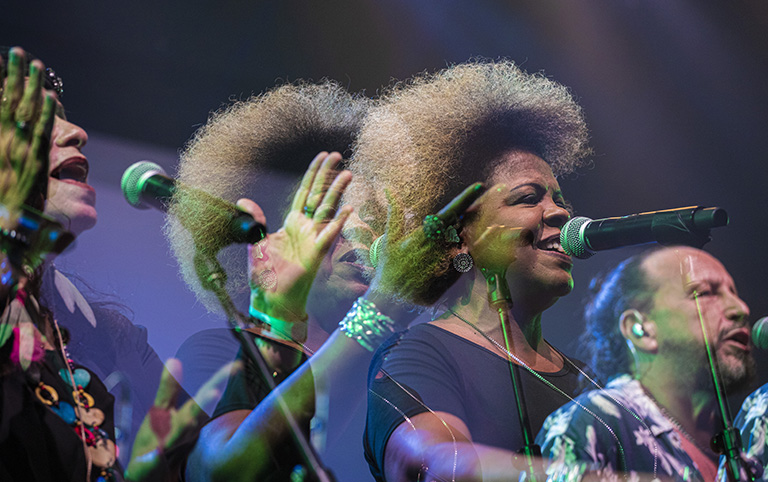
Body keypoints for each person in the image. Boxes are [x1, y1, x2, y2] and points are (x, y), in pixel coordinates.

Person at [352, 59, 593, 481]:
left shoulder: (586, 378)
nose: (559, 212)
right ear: (460, 236)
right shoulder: (418, 356)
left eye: (558, 197)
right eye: (527, 198)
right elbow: (444, 467)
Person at [0, 46, 215, 482]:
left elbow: (216, 468)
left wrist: (279, 322)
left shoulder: (106, 335)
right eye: (34, 122)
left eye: (63, 115)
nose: (76, 132)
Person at [166, 81, 391, 481]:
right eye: (330, 214)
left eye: (371, 216)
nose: (357, 230)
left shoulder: (398, 365)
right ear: (271, 240)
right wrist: (379, 317)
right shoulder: (214, 353)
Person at [536, 246, 755, 482]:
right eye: (703, 293)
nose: (740, 309)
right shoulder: (595, 425)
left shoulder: (748, 439)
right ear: (640, 330)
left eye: (733, 292)